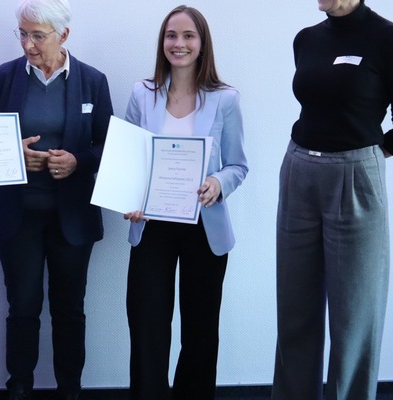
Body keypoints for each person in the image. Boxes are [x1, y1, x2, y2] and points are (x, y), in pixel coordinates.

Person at [271, 0, 393, 399]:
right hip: (299, 170)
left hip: (355, 176)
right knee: (295, 310)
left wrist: (365, 158)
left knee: (355, 315)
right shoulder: (306, 39)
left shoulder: (389, 38)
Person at [0, 0, 112, 399]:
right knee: (22, 305)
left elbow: (108, 147)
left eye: (38, 35)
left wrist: (78, 161)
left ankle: (70, 387)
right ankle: (19, 385)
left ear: (64, 35)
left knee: (70, 307)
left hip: (72, 217)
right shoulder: (3, 78)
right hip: (17, 216)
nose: (28, 44)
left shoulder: (92, 80)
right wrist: (12, 154)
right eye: (22, 33)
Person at [122, 5, 248, 400]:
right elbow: (127, 161)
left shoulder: (225, 99)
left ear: (202, 43)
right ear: (162, 43)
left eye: (188, 36)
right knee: (147, 328)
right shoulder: (143, 94)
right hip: (152, 225)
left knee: (200, 331)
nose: (179, 44)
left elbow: (239, 166)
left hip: (204, 228)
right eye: (171, 36)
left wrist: (217, 181)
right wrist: (128, 197)